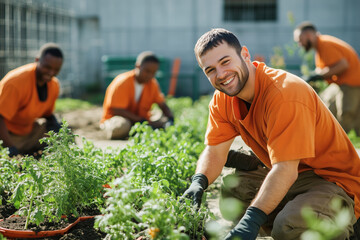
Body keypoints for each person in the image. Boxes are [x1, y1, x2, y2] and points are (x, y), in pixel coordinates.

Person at [183, 28, 360, 239]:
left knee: (290, 226)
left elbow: (285, 170)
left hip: (332, 180)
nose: (220, 75)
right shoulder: (223, 99)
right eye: (210, 70)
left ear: (245, 55)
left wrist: (252, 218)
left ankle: (342, 221)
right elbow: (214, 150)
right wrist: (199, 181)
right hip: (296, 173)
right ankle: (293, 215)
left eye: (225, 62)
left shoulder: (285, 94)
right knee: (236, 191)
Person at [294, 21, 360, 136]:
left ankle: (339, 145)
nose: (300, 44)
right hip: (340, 83)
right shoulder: (321, 46)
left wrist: (319, 75)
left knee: (345, 115)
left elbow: (343, 65)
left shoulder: (325, 44)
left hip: (351, 84)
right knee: (326, 103)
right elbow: (326, 68)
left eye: (300, 40)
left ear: (309, 36)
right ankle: (328, 140)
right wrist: (315, 75)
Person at [0, 43, 63, 157]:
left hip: (28, 133)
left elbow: (47, 114)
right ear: (37, 60)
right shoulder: (15, 82)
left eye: (56, 69)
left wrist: (55, 123)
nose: (51, 73)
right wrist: (10, 147)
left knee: (64, 131)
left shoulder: (54, 85)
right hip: (6, 136)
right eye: (47, 67)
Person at [100, 51, 174, 140]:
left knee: (160, 118)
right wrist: (141, 121)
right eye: (147, 71)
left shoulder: (152, 84)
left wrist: (170, 118)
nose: (150, 75)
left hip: (140, 120)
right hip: (120, 119)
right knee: (121, 126)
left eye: (153, 73)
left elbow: (162, 104)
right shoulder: (122, 82)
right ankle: (112, 129)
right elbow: (116, 110)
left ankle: (138, 130)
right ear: (138, 66)